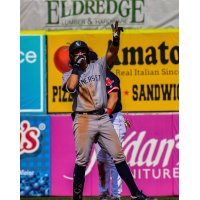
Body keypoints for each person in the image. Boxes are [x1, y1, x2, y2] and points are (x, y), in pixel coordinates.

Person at [62, 21, 157, 200]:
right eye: (77, 53)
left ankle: (136, 194)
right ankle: (77, 199)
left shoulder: (98, 65)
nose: (81, 54)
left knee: (118, 156)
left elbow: (112, 53)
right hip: (83, 119)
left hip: (103, 117)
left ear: (88, 53)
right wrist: (76, 67)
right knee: (82, 160)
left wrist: (115, 39)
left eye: (83, 51)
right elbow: (72, 87)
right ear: (72, 57)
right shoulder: (68, 75)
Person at [90, 51, 127, 200]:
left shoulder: (108, 76)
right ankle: (104, 194)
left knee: (114, 159)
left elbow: (114, 97)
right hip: (97, 121)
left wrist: (102, 117)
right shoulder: (87, 80)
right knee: (101, 160)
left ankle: (116, 195)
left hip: (112, 120)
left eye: (91, 62)